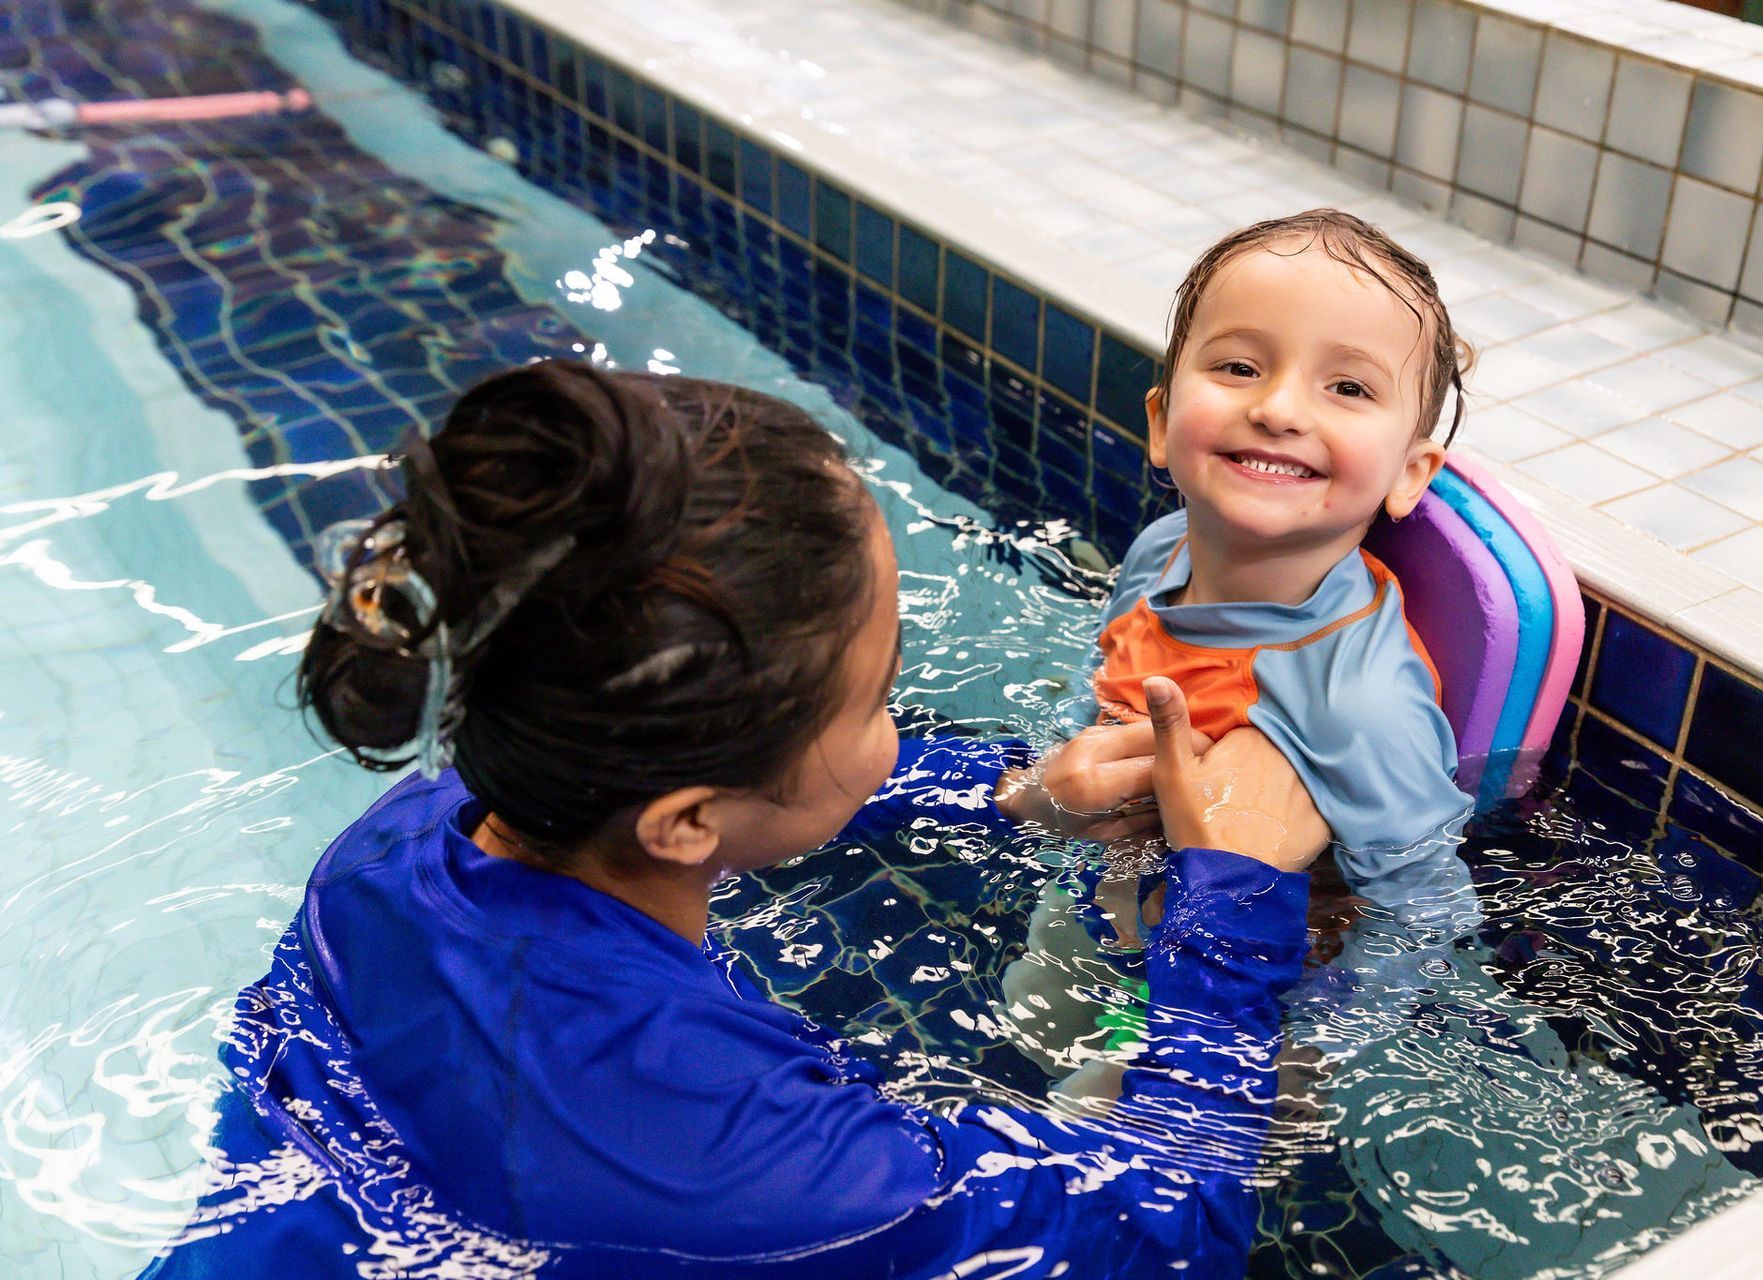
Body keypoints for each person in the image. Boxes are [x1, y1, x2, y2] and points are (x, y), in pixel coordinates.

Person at [140, 361, 1330, 1279]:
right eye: (876, 696)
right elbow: (1162, 1231)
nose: (891, 728)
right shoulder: (746, 1157)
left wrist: (1011, 791)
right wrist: (1238, 900)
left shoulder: (409, 836)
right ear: (685, 820)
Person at [999, 209, 1477, 1094]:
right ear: (1160, 420)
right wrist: (1048, 784)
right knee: (1028, 1018)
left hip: (1266, 995)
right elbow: (1099, 689)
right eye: (1238, 366)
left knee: (1087, 1127)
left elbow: (1426, 910)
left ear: (1411, 473)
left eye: (1348, 388)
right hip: (1119, 898)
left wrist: (1315, 1048)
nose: (1279, 406)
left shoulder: (1354, 701)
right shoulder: (1160, 551)